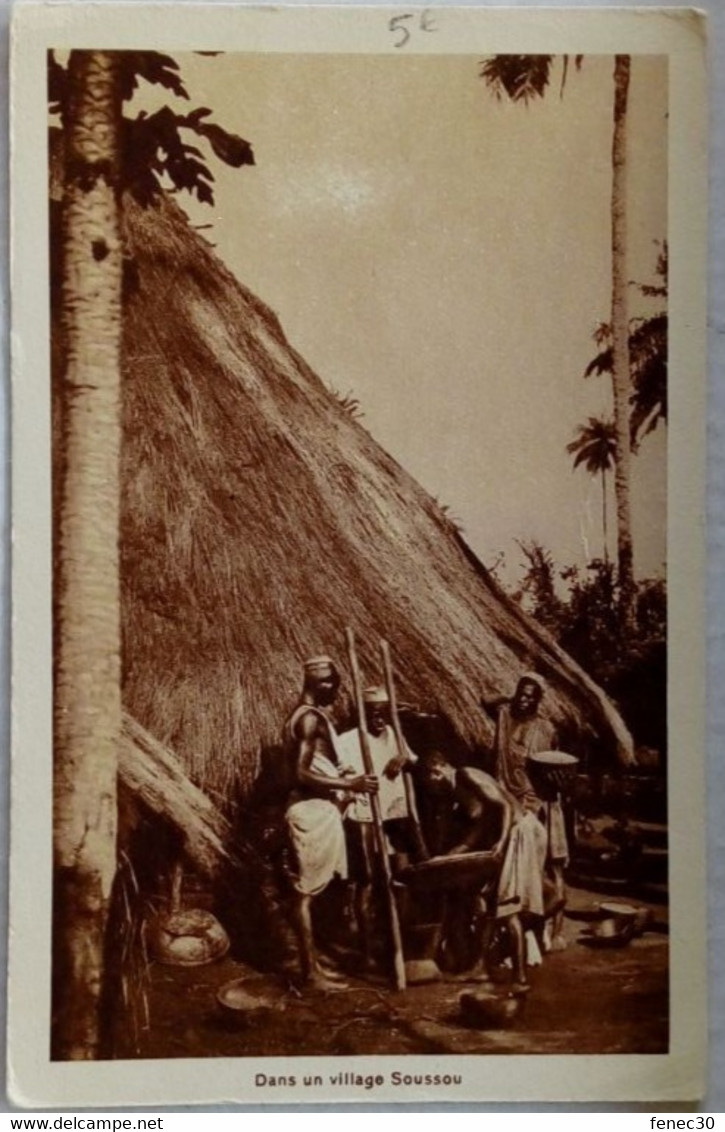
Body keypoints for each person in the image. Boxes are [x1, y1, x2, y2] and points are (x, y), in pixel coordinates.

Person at [284, 656, 377, 989]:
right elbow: (300, 772)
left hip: (321, 811)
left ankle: (315, 964)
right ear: (315, 684)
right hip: (312, 812)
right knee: (306, 893)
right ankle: (310, 974)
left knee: (313, 889)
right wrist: (349, 785)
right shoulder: (309, 720)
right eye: (329, 685)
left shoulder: (311, 717)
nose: (334, 693)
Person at [417, 752, 546, 991]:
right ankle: (479, 968)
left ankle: (520, 978)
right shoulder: (460, 794)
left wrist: (502, 842)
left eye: (429, 780)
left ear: (437, 769)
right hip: (513, 835)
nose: (432, 787)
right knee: (490, 904)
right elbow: (475, 834)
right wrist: (442, 860)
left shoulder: (465, 775)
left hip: (519, 832)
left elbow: (505, 805)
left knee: (508, 909)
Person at [335, 686, 423, 967]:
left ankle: (401, 945)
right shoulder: (348, 740)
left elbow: (413, 758)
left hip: (393, 813)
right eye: (373, 713)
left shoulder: (394, 734)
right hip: (364, 813)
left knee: (403, 875)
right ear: (363, 713)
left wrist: (403, 758)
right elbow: (340, 776)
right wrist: (357, 781)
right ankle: (367, 951)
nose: (379, 719)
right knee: (368, 880)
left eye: (384, 713)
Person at [482, 672, 569, 950]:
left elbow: (555, 767)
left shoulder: (545, 729)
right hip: (505, 797)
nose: (524, 699)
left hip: (534, 803)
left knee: (538, 868)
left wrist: (540, 803)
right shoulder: (504, 715)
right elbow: (485, 699)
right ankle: (515, 928)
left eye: (531, 696)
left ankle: (541, 929)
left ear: (539, 701)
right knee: (506, 867)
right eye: (521, 693)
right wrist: (512, 695)